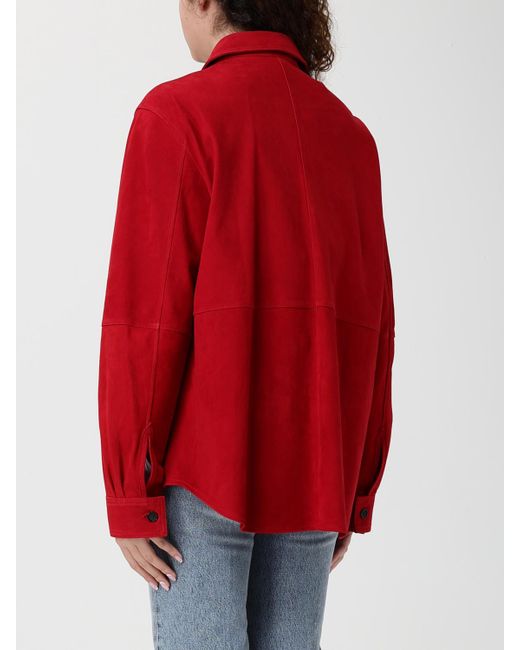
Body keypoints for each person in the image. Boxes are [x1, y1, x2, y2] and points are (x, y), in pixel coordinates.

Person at [97, 1, 395, 648]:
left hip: (201, 474)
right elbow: (374, 326)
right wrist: (353, 488)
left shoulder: (176, 115)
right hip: (314, 474)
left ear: (206, 1)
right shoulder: (350, 139)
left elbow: (145, 322)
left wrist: (129, 489)